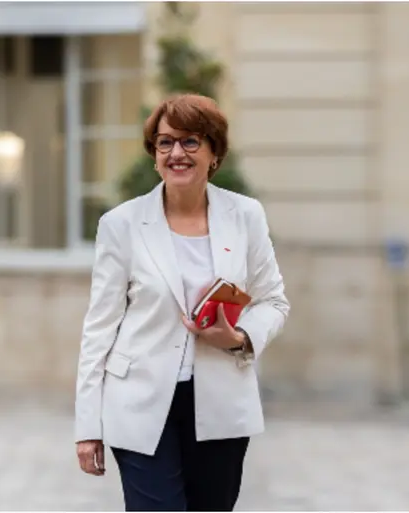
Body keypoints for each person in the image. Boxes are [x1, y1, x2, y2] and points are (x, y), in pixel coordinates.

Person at [74, 93, 290, 512]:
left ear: (214, 152)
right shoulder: (121, 225)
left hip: (221, 403)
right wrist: (88, 426)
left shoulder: (245, 216)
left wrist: (238, 336)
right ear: (153, 155)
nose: (177, 153)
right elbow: (99, 328)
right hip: (138, 401)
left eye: (191, 141)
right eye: (164, 142)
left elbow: (273, 302)